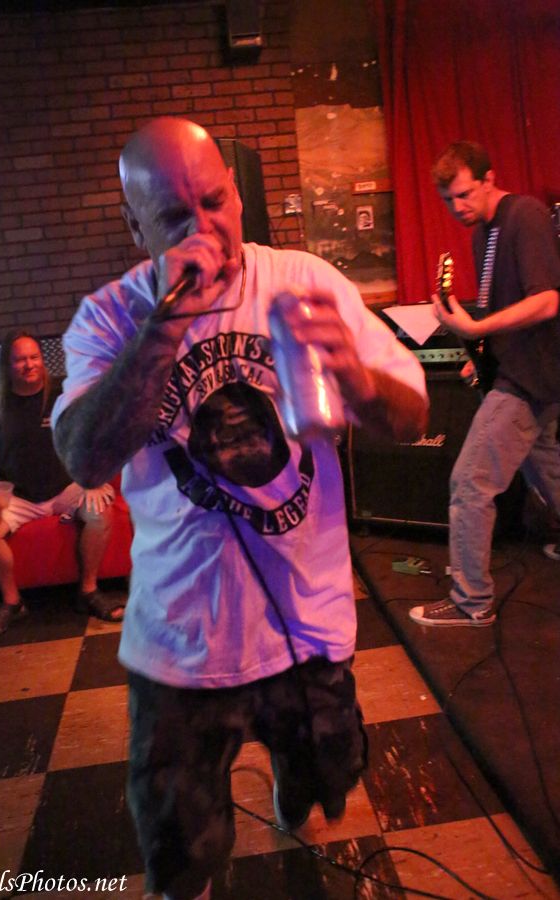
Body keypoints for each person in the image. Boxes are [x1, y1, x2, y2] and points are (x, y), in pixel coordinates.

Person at [51, 117, 428, 900]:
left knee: (323, 785)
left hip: (307, 625)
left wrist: (359, 382)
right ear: (136, 228)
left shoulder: (305, 280)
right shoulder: (110, 316)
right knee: (180, 852)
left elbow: (413, 417)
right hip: (182, 642)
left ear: (237, 193)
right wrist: (163, 328)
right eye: (173, 216)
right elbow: (84, 456)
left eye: (215, 201)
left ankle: (297, 795)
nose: (204, 229)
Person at [410, 141, 560, 628]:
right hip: (519, 372)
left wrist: (476, 328)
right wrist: (481, 358)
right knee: (549, 471)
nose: (457, 207)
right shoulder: (483, 236)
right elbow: (504, 313)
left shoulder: (526, 216)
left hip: (530, 379)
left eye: (464, 194)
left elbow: (547, 300)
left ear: (489, 178)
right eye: (448, 200)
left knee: (470, 483)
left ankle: (471, 601)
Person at [0, 330, 126, 642]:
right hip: (17, 494)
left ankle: (88, 591)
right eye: (20, 360)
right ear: (7, 365)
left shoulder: (64, 391)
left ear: (42, 360)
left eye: (34, 357)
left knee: (100, 514)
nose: (29, 364)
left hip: (65, 486)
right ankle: (12, 602)